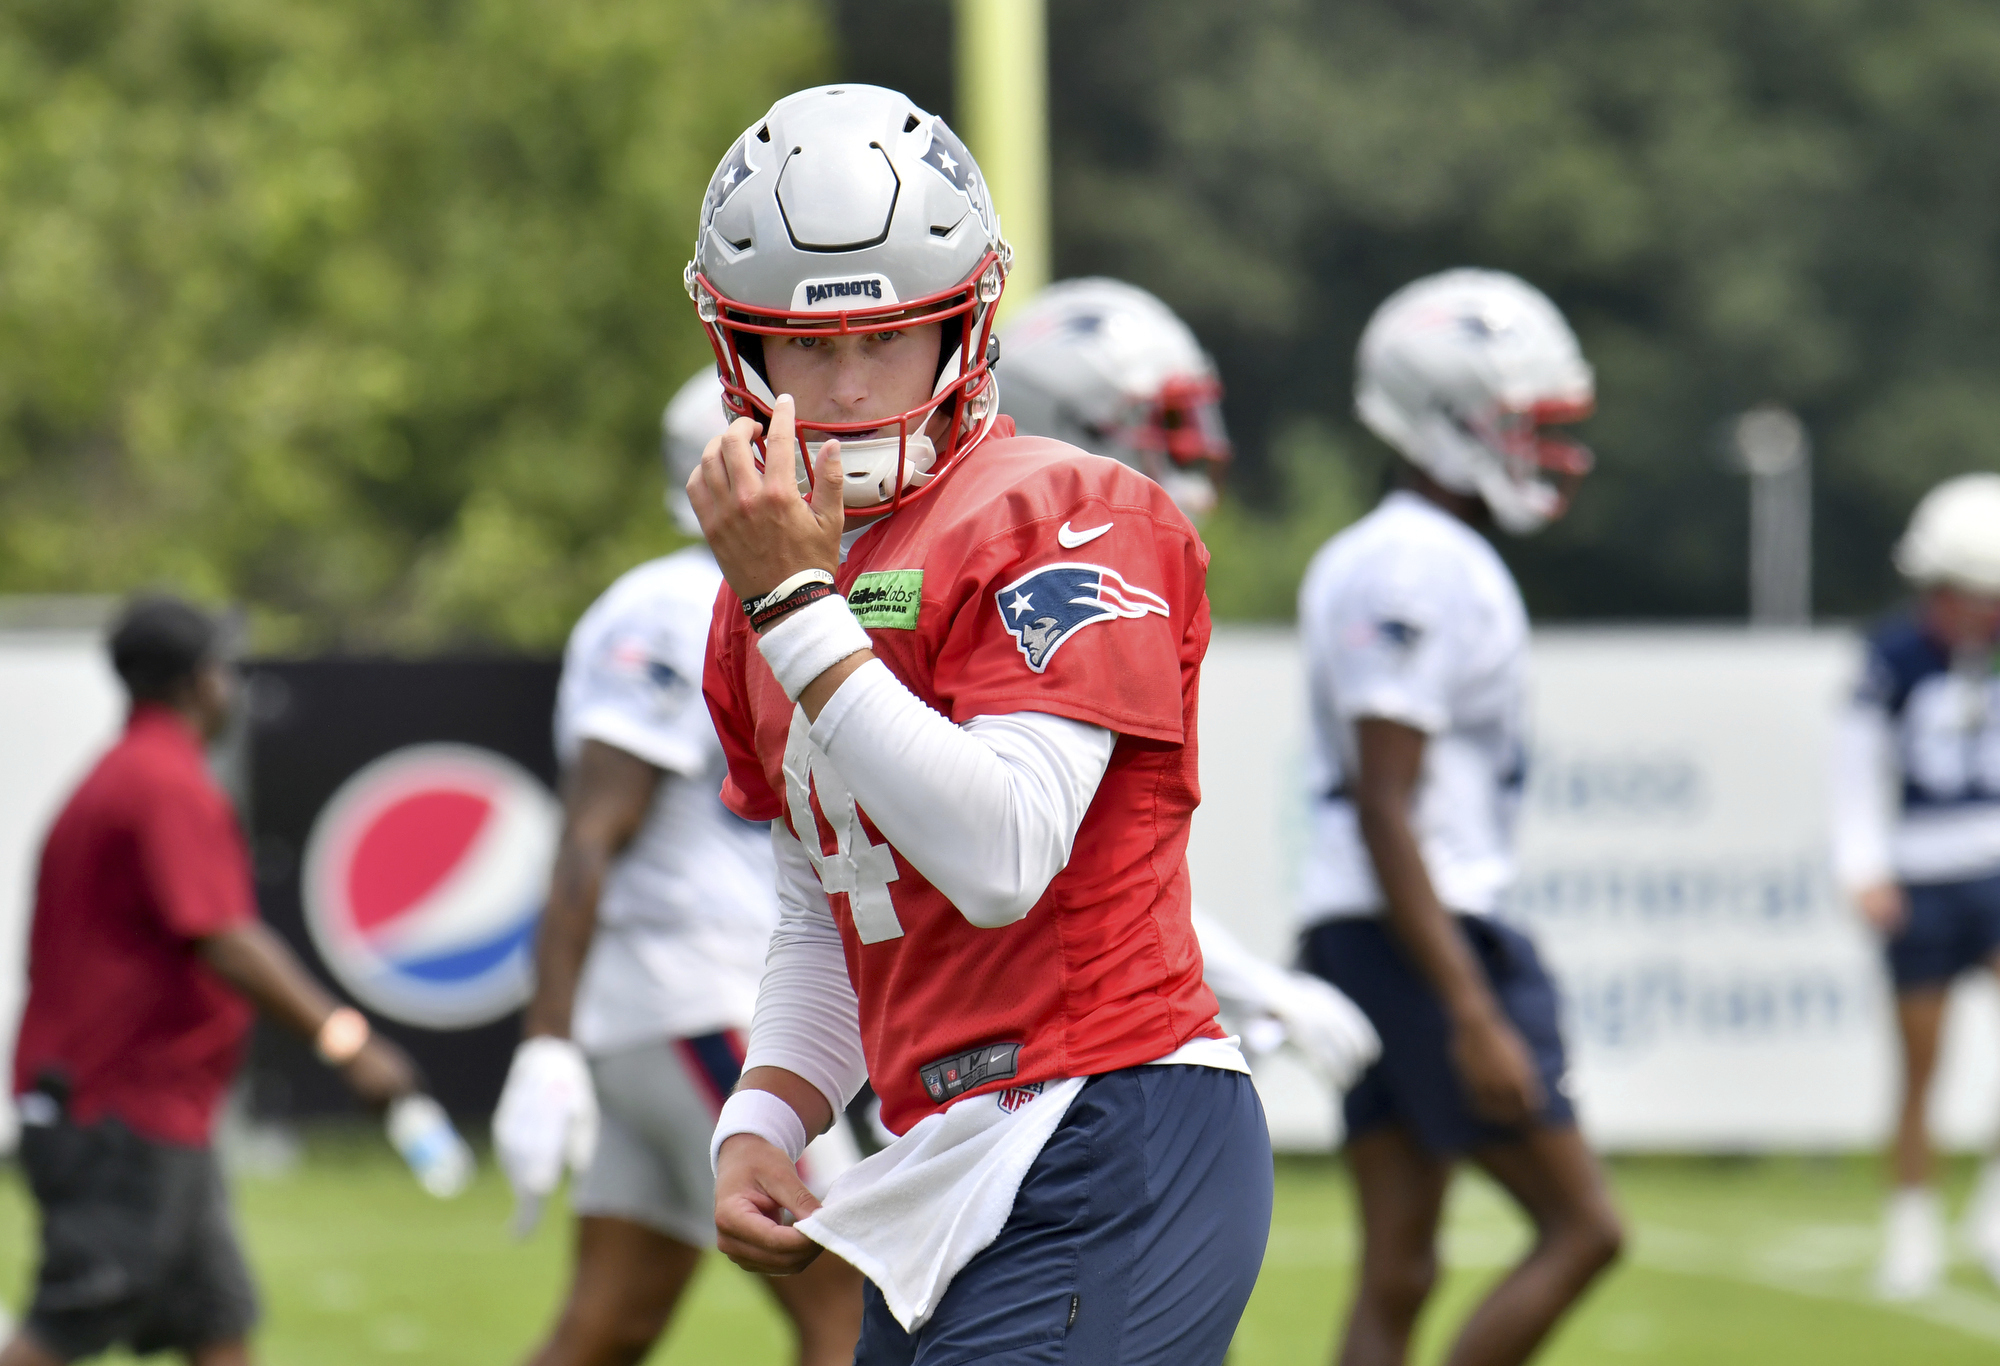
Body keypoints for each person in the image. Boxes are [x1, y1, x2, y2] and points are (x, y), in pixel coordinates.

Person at [686, 85, 1273, 1364]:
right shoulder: (765, 607)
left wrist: (797, 605)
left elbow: (1005, 853)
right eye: (801, 344)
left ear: (966, 319)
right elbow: (824, 912)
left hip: (1104, 1124)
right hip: (932, 1151)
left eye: (886, 338)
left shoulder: (1068, 510)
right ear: (740, 349)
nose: (845, 389)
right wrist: (766, 1115)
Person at [493, 368, 863, 1366]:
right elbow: (590, 833)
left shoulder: (754, 597)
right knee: (852, 1294)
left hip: (676, 1002)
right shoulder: (672, 603)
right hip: (696, 999)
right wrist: (545, 1039)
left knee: (608, 1325)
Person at [1295, 270, 1624, 1366]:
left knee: (1397, 1265)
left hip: (1363, 928)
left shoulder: (1385, 552)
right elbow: (1388, 800)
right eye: (1519, 422)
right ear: (1439, 417)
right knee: (1583, 1228)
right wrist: (1469, 1003)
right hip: (1418, 930)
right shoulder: (1417, 563)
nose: (1541, 446)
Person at [4, 596, 420, 1366]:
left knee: (216, 1324)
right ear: (199, 682)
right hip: (120, 1108)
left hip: (151, 1110)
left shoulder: (123, 772)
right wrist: (345, 1041)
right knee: (69, 1324)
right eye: (224, 671)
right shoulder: (165, 784)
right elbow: (223, 937)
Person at [998, 276, 1381, 1089]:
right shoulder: (1035, 591)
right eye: (1162, 425)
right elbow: (1063, 870)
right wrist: (1256, 987)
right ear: (1074, 429)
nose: (1192, 452)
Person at [1830, 472, 2000, 1299]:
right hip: (1922, 875)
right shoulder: (1892, 657)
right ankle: (1912, 1230)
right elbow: (1856, 775)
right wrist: (1864, 869)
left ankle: (1997, 1217)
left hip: (1997, 865)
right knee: (1921, 1065)